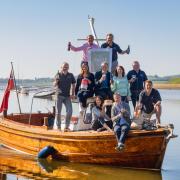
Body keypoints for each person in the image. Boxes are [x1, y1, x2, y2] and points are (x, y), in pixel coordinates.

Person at [53, 62, 76, 131]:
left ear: (68, 67)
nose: (65, 67)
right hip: (59, 95)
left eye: (66, 66)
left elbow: (74, 84)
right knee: (58, 112)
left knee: (70, 111)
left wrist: (72, 94)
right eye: (64, 66)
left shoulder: (71, 75)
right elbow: (54, 85)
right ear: (61, 67)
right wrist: (56, 81)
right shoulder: (58, 74)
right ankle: (59, 127)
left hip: (67, 96)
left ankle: (66, 127)